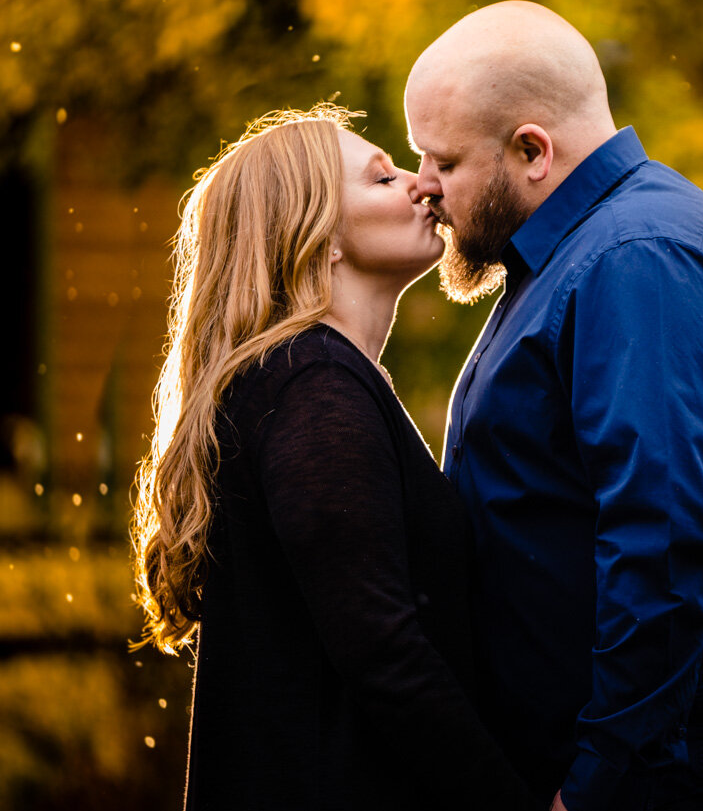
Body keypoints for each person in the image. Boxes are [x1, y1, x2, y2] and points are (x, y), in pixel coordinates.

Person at [405, 1, 703, 811]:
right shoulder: (577, 255)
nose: (424, 187)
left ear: (531, 151)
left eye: (442, 161)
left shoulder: (636, 258)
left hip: (694, 780)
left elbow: (663, 544)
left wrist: (595, 783)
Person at [130, 105, 535, 811]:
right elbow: (385, 654)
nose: (423, 185)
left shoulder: (310, 381)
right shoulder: (312, 388)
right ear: (318, 235)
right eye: (383, 178)